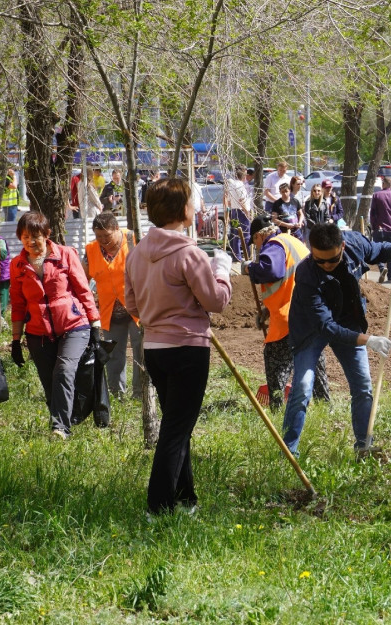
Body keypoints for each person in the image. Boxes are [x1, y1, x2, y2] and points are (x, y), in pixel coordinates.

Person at [124, 177, 233, 514]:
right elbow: (216, 301)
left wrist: (157, 318)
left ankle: (186, 499)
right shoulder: (189, 253)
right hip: (188, 349)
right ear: (181, 210)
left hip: (155, 349)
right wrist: (224, 269)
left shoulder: (138, 252)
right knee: (176, 429)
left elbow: (131, 303)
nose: (194, 206)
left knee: (177, 425)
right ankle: (158, 507)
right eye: (191, 200)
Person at [281, 222, 391, 454]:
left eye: (332, 259)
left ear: (343, 246)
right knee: (302, 387)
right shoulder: (306, 273)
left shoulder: (356, 244)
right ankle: (288, 452)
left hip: (348, 319)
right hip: (311, 328)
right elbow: (326, 327)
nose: (327, 265)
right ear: (312, 252)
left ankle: (364, 447)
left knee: (363, 387)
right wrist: (368, 340)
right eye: (320, 260)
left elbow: (376, 250)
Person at [9, 211, 102, 439]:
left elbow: (83, 290)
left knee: (64, 370)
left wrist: (95, 325)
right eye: (25, 237)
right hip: (38, 332)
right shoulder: (18, 265)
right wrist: (15, 340)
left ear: (47, 234)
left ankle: (60, 428)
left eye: (35, 237)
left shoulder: (66, 255)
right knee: (50, 380)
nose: (31, 242)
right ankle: (66, 418)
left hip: (74, 325)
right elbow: (18, 303)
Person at [244, 216, 331, 410]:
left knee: (276, 362)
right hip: (312, 314)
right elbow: (290, 282)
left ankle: (276, 409)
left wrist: (249, 268)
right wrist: (268, 310)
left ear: (259, 236)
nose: (257, 247)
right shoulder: (293, 242)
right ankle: (325, 407)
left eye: (255, 242)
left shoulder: (273, 245)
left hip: (290, 318)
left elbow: (272, 271)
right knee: (315, 362)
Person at [84, 212, 142, 399]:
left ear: (117, 229)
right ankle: (117, 394)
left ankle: (140, 394)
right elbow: (84, 280)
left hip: (137, 309)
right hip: (109, 312)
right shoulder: (91, 250)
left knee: (141, 351)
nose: (102, 240)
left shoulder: (134, 241)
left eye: (106, 236)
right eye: (98, 236)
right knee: (113, 354)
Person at [224, 165, 253, 261]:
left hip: (234, 211)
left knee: (236, 234)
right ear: (244, 175)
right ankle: (248, 255)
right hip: (241, 212)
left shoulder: (231, 185)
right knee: (246, 235)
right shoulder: (240, 185)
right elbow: (242, 200)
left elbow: (227, 200)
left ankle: (236, 256)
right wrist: (247, 212)